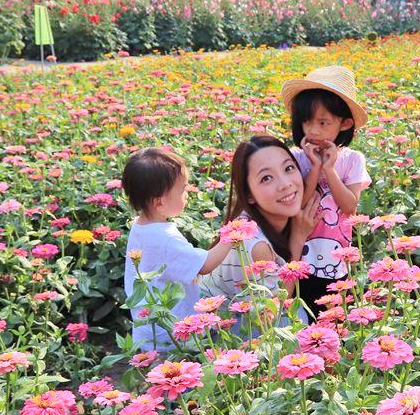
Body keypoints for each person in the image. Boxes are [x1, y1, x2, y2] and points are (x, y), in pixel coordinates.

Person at [122, 147, 235, 352]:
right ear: (159, 203)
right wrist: (231, 235)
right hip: (174, 336)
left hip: (149, 332)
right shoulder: (165, 239)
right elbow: (206, 265)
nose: (188, 193)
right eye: (182, 189)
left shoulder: (140, 226)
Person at [280, 66, 371, 317]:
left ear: (345, 123)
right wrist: (315, 165)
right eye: (307, 122)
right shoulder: (297, 158)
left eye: (323, 122)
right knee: (301, 318)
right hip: (301, 255)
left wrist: (329, 170)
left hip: (338, 260)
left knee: (334, 320)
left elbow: (350, 206)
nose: (313, 131)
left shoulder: (352, 160)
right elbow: (299, 203)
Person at [200, 136, 320, 314]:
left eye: (288, 168)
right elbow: (274, 312)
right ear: (248, 195)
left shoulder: (251, 215)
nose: (285, 184)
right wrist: (297, 240)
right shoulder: (257, 246)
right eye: (266, 178)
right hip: (221, 329)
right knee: (297, 315)